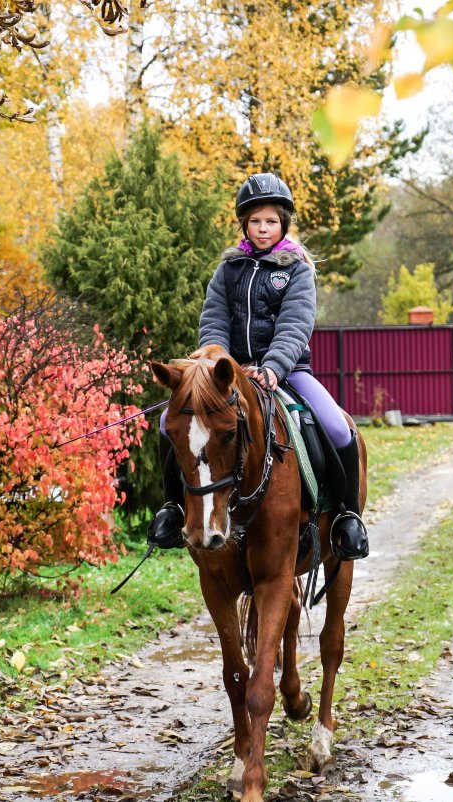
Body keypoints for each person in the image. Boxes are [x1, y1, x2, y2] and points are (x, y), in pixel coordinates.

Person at [148, 172, 369, 561]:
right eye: (255, 221)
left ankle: (346, 518)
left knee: (336, 427)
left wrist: (272, 367)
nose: (263, 228)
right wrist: (214, 361)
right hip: (227, 376)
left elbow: (296, 323)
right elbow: (214, 319)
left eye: (270, 221)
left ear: (283, 223)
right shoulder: (228, 269)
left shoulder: (297, 270)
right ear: (244, 225)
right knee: (170, 423)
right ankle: (174, 508)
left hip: (289, 371)